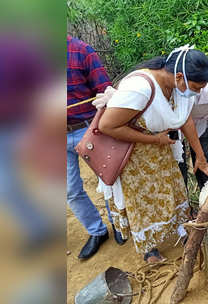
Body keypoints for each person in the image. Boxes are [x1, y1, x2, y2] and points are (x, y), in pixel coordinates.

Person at [97, 46, 208, 263]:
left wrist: (200, 155)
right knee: (144, 201)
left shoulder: (179, 88)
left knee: (174, 190)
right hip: (134, 157)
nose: (196, 93)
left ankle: (181, 230)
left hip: (162, 152)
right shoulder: (139, 88)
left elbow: (185, 119)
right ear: (180, 77)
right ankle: (149, 249)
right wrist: (154, 140)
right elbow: (108, 126)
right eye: (196, 88)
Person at [67, 35, 127, 260]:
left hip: (87, 127)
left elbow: (105, 90)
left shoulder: (81, 50)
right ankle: (97, 231)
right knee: (70, 191)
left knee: (108, 179)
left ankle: (119, 225)